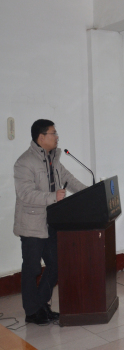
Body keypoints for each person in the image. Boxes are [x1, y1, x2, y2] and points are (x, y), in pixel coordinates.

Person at [14, 119, 87, 325]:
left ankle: (41, 305)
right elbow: (25, 194)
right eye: (53, 133)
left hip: (51, 222)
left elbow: (70, 179)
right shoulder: (24, 162)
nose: (57, 137)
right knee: (32, 269)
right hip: (32, 224)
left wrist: (91, 192)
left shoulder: (54, 158)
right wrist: (52, 197)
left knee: (56, 264)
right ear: (41, 137)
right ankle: (32, 312)